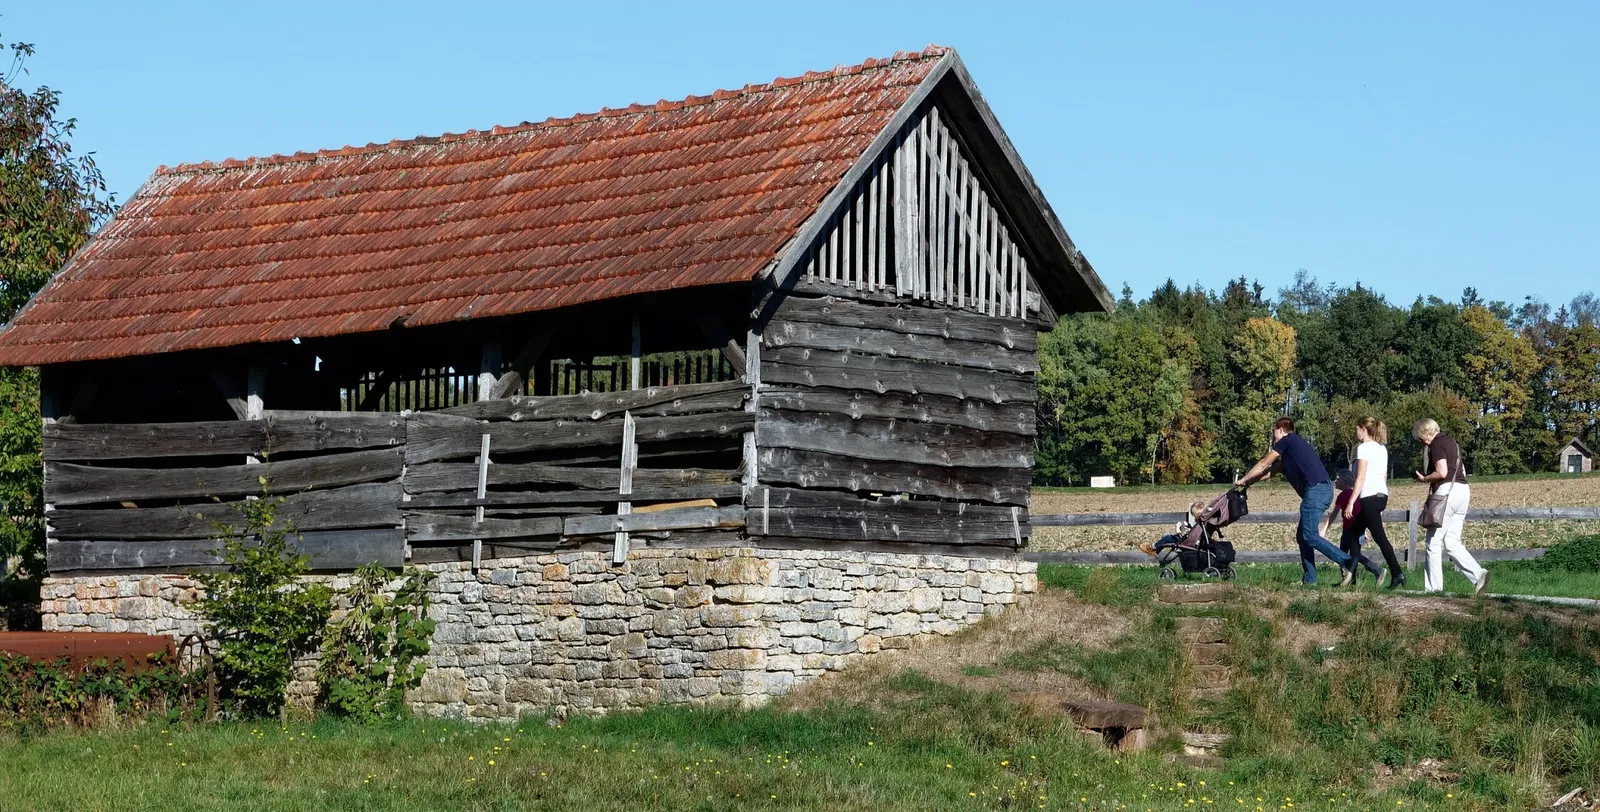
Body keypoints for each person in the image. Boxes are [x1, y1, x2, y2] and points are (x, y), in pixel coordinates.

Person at [1236, 417, 1352, 584]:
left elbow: (1263, 463)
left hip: (1315, 490)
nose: (1273, 435)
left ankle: (1347, 561)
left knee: (1310, 536)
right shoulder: (1291, 451)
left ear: (1281, 430)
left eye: (1274, 431)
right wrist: (1249, 482)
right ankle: (1310, 579)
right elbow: (1269, 471)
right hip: (1320, 490)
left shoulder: (1288, 440)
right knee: (1302, 536)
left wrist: (1242, 479)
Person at [1412, 418, 1489, 594]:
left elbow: (1442, 472)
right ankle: (1478, 575)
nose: (1422, 442)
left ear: (1427, 432)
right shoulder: (1452, 442)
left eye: (1421, 438)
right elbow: (1459, 470)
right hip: (1463, 491)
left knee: (1433, 542)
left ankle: (1433, 589)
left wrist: (1424, 478)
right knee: (1452, 541)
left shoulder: (1437, 444)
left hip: (1446, 493)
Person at [1344, 416, 1405, 589]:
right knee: (1355, 534)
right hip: (1381, 495)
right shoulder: (1382, 448)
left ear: (1363, 429)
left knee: (1380, 538)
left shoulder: (1363, 448)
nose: (1355, 432)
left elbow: (1361, 477)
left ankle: (1397, 573)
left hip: (1369, 498)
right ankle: (1352, 577)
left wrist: (1350, 502)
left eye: (1356, 428)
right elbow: (1383, 476)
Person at [1321, 469, 1385, 585]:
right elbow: (1360, 512)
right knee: (1355, 555)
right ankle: (1353, 581)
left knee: (1343, 554)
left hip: (1349, 530)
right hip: (1359, 529)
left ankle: (1375, 570)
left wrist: (1324, 529)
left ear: (1345, 481)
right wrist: (1364, 531)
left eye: (1338, 479)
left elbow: (1334, 514)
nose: (1335, 481)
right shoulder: (1357, 494)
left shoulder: (1343, 495)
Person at [1139, 500, 1206, 556]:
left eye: (1195, 516)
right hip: (1194, 543)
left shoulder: (1199, 525)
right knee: (1167, 538)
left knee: (1168, 538)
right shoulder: (1203, 525)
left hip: (1188, 544)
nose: (1194, 518)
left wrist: (1179, 531)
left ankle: (1153, 548)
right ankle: (1156, 551)